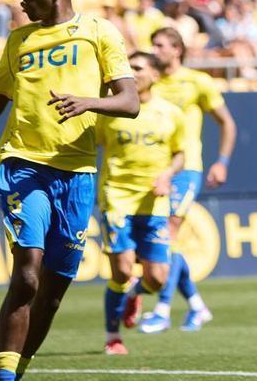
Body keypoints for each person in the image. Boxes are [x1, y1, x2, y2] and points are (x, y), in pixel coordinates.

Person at [0, 0, 139, 381]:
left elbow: (129, 102)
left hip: (77, 172)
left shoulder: (98, 32)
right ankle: (2, 375)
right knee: (27, 273)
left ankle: (16, 370)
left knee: (52, 290)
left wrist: (89, 102)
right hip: (23, 163)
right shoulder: (18, 41)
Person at [137, 27, 236, 334]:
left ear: (177, 49)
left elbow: (227, 123)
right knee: (161, 243)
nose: (155, 49)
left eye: (161, 44)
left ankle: (162, 311)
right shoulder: (148, 83)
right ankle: (196, 306)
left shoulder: (197, 82)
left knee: (167, 235)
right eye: (152, 44)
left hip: (186, 168)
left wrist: (221, 162)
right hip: (153, 170)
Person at [97, 52, 186, 355]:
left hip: (154, 202)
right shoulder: (108, 111)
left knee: (158, 279)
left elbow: (180, 153)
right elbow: (87, 143)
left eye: (138, 68)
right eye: (128, 68)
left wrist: (168, 175)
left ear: (156, 75)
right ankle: (113, 336)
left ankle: (136, 293)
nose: (131, 73)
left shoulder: (170, 113)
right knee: (121, 271)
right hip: (117, 198)